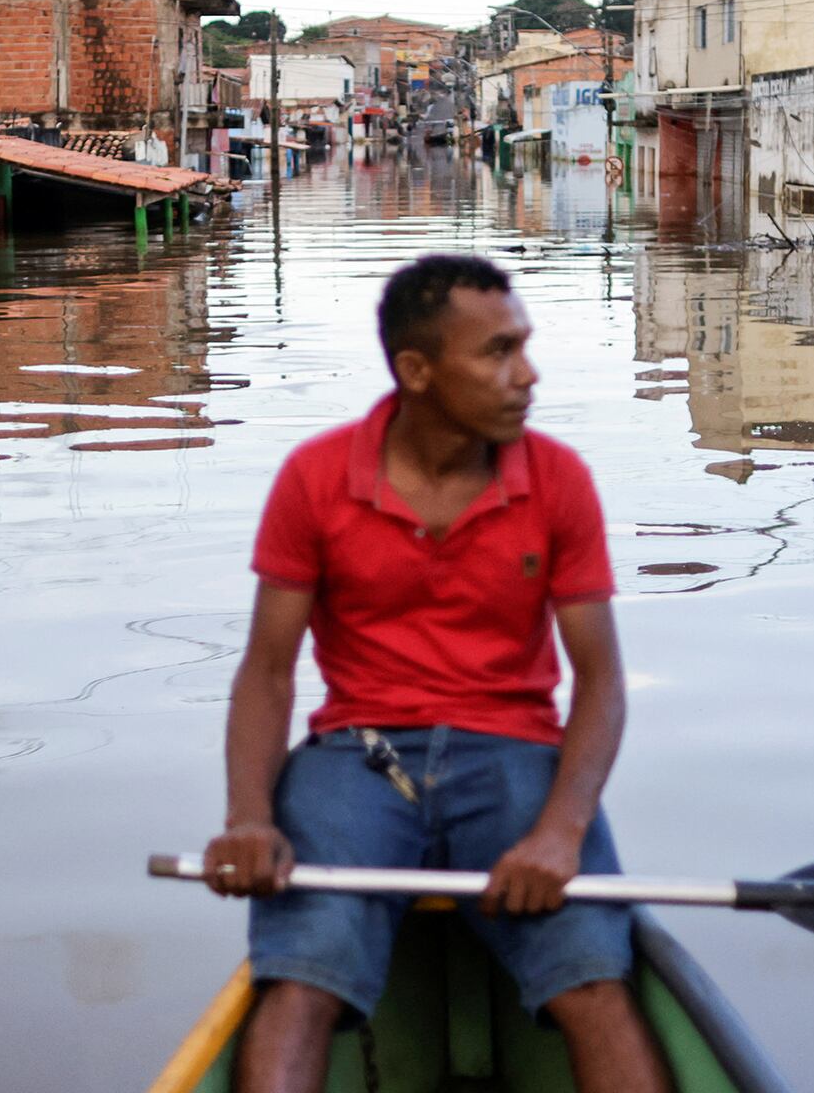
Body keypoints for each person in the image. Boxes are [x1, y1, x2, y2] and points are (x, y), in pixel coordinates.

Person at [203, 254, 672, 1093]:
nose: (526, 375)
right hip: (365, 755)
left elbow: (599, 679)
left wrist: (562, 833)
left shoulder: (557, 480)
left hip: (512, 751)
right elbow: (267, 673)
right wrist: (248, 820)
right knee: (303, 977)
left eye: (522, 346)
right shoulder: (315, 479)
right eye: (497, 352)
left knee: (595, 986)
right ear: (416, 371)